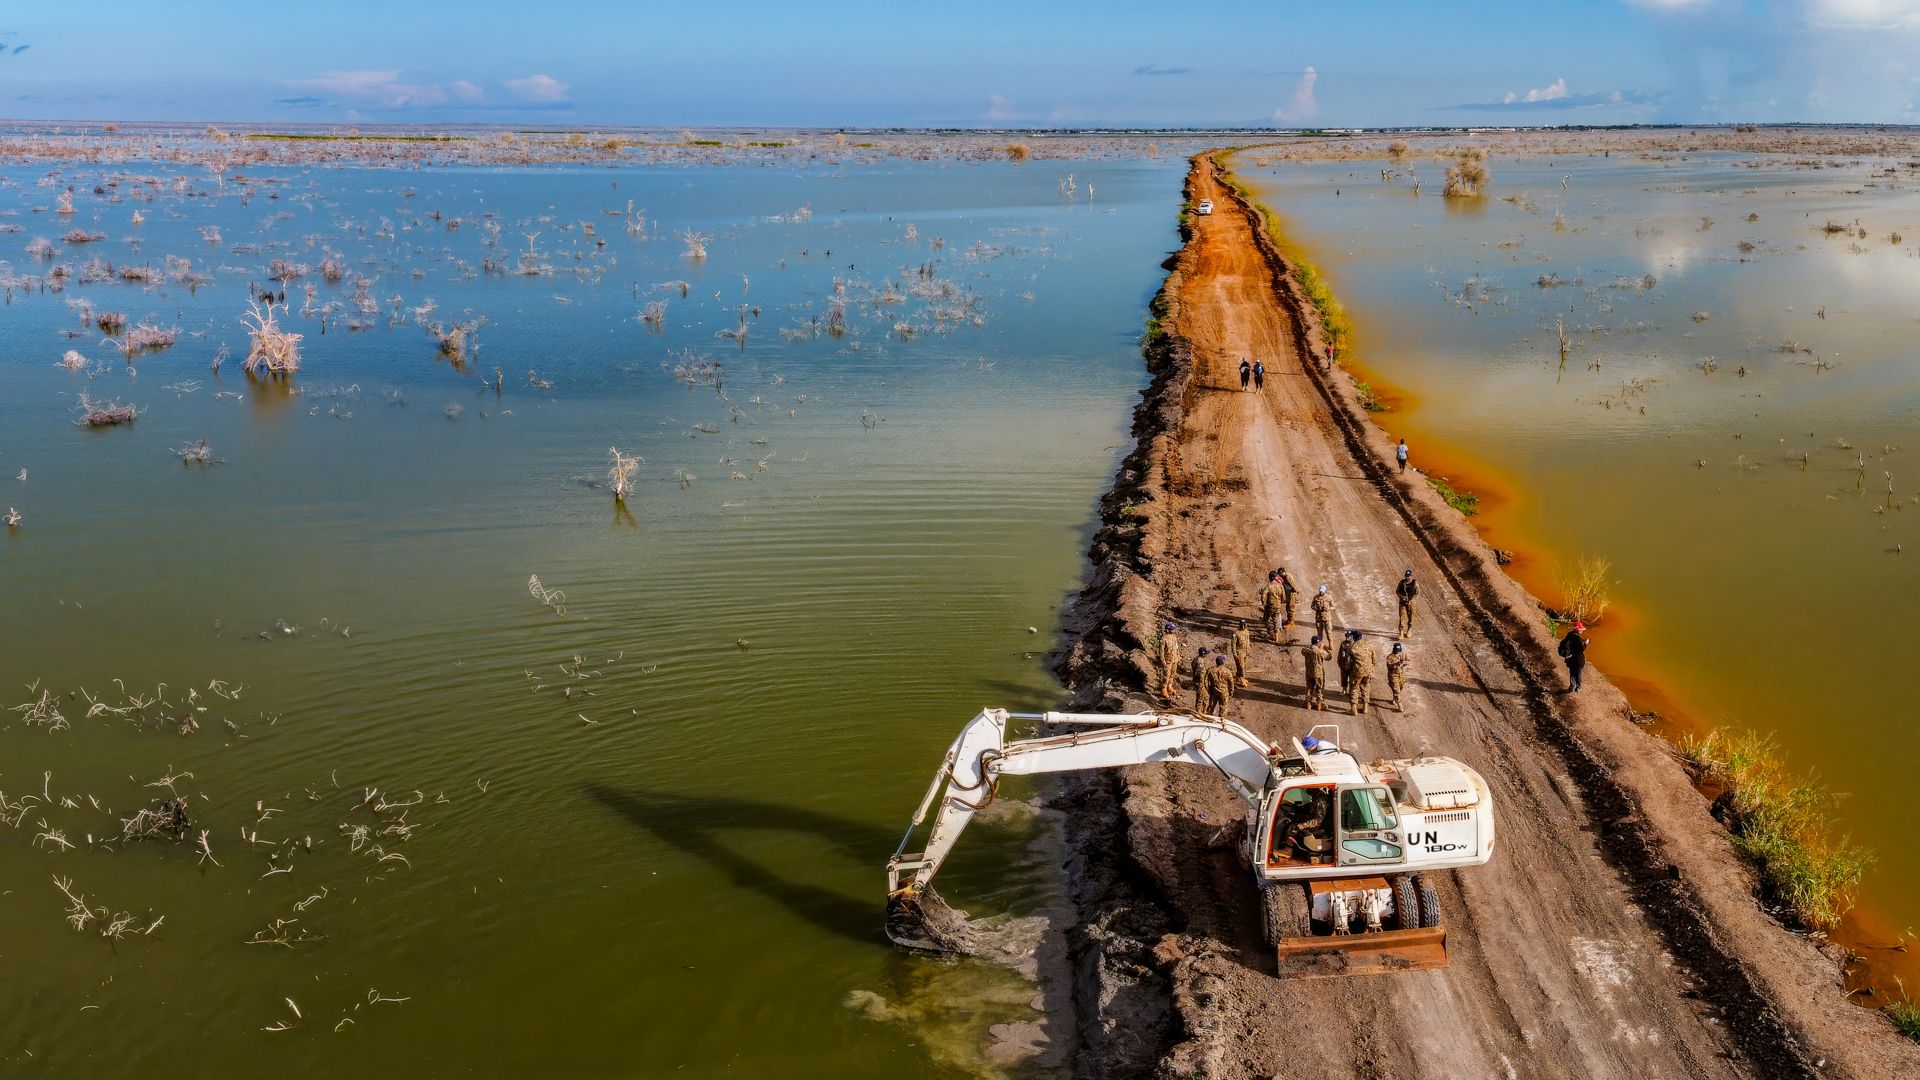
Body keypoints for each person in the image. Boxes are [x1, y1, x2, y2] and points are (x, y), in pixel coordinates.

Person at [1350, 633, 1377, 715]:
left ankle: (1354, 709)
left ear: (1354, 638)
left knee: (1354, 688)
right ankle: (1365, 707)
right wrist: (1371, 667)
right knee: (1365, 687)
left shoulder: (1352, 647)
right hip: (1368, 671)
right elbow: (1374, 659)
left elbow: (1348, 661)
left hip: (1357, 671)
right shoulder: (1369, 644)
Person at [1301, 635, 1329, 711]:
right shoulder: (1320, 651)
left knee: (1309, 688)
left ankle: (1308, 704)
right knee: (1319, 688)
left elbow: (1303, 651)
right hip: (1318, 673)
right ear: (1318, 642)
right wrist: (1324, 648)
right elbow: (1329, 657)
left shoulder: (1306, 649)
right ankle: (1319, 705)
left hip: (1309, 672)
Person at [1558, 622, 1588, 692]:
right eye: (1581, 629)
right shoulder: (1578, 638)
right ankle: (1578, 687)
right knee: (1578, 673)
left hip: (1570, 658)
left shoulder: (1570, 634)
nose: (1582, 631)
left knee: (1572, 672)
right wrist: (1586, 643)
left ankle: (1572, 686)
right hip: (1578, 660)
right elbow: (1582, 648)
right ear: (1578, 630)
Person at [1157, 622, 1182, 700]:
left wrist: (1178, 657)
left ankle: (1169, 686)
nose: (1173, 631)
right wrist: (1163, 660)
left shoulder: (1174, 637)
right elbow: (1161, 651)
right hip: (1168, 660)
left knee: (1173, 674)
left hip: (1175, 659)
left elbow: (1176, 648)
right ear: (1168, 630)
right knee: (1166, 675)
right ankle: (1164, 689)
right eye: (1172, 629)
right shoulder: (1164, 638)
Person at [1260, 573, 1287, 642]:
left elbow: (1263, 595)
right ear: (1275, 577)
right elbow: (1283, 596)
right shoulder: (1280, 586)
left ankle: (1270, 633)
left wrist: (1264, 603)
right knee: (1276, 620)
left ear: (1270, 578)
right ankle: (1277, 638)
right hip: (1277, 606)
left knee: (1267, 620)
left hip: (1270, 606)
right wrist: (1280, 602)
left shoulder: (1269, 586)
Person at [1396, 570, 1419, 640]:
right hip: (1402, 602)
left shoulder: (1415, 583)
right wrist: (1401, 597)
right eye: (1406, 576)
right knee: (1402, 616)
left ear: (1411, 576)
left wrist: (1411, 600)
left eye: (1409, 576)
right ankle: (1401, 631)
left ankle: (1409, 629)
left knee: (1411, 616)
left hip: (1411, 603)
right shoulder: (1402, 582)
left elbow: (1417, 593)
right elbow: (1397, 591)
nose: (1407, 577)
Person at [1386, 642, 1410, 711]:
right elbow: (1389, 666)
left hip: (1402, 675)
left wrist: (1404, 663)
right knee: (1397, 691)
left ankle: (1395, 698)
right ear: (1394, 649)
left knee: (1400, 687)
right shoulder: (1390, 657)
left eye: (1399, 651)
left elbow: (1408, 661)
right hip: (1393, 676)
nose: (1398, 652)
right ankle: (1400, 706)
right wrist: (1397, 663)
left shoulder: (1402, 654)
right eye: (1397, 651)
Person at [1230, 619, 1252, 687]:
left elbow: (1248, 640)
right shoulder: (1236, 633)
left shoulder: (1246, 631)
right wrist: (1234, 654)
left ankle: (1239, 678)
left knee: (1243, 666)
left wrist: (1249, 649)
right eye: (1241, 625)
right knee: (1241, 667)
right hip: (1239, 652)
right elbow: (1233, 644)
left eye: (1244, 625)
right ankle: (1242, 681)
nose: (1243, 626)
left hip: (1245, 652)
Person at [1190, 646, 1212, 711]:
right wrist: (1206, 684)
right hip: (1201, 683)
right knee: (1201, 698)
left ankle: (1201, 711)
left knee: (1203, 697)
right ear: (1203, 654)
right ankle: (1200, 712)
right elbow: (1201, 674)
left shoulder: (1196, 659)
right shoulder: (1200, 662)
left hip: (1199, 681)